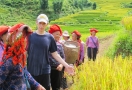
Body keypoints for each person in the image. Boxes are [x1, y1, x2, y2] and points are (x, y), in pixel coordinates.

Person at [27, 14, 74, 90]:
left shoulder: (49, 37)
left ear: (47, 24)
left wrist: (66, 65)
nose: (41, 26)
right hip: (32, 71)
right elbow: (25, 53)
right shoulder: (30, 36)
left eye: (44, 23)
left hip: (45, 71)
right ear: (36, 22)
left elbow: (55, 54)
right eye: (40, 23)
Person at [0, 23, 45, 90]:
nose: (26, 41)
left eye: (26, 37)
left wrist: (37, 85)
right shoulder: (9, 60)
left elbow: (24, 71)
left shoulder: (19, 56)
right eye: (23, 38)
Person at [48, 24, 65, 90]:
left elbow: (63, 57)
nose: (59, 36)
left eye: (59, 34)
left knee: (56, 87)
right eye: (57, 34)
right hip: (47, 69)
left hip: (57, 69)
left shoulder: (60, 45)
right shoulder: (46, 44)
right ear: (51, 34)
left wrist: (61, 65)